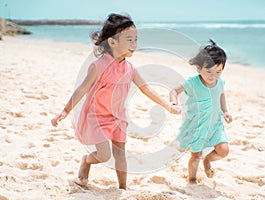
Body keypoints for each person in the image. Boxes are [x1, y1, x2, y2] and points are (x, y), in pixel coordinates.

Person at [51, 13, 180, 189]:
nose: (134, 44)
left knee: (120, 155)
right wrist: (65, 111)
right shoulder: (100, 65)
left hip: (118, 117)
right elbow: (82, 88)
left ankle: (123, 188)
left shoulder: (130, 68)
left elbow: (146, 88)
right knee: (104, 155)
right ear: (112, 42)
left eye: (136, 39)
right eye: (129, 40)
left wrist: (168, 105)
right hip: (97, 117)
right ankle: (86, 161)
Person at [169, 39, 233, 183]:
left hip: (215, 125)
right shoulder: (193, 83)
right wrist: (174, 103)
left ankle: (208, 160)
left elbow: (221, 95)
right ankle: (192, 180)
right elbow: (174, 90)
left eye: (218, 71)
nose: (213, 76)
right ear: (198, 68)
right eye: (208, 71)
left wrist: (226, 111)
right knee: (195, 155)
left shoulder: (220, 82)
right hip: (197, 126)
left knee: (224, 150)